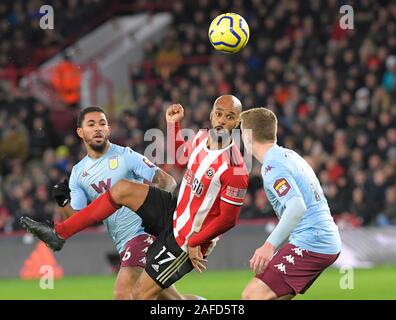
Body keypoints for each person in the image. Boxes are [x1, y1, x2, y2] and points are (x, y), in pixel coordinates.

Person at [21, 95, 249, 300]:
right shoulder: (201, 137)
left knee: (138, 295)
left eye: (229, 117)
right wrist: (173, 125)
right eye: (219, 114)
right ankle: (59, 234)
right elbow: (181, 160)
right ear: (211, 114)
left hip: (188, 237)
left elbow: (228, 219)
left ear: (237, 123)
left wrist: (196, 241)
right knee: (122, 189)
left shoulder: (236, 166)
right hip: (176, 211)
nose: (222, 121)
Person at [35, 106, 199, 300]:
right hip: (124, 244)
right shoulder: (78, 173)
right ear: (80, 132)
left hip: (144, 234)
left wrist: (154, 213)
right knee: (164, 299)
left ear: (108, 130)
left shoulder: (125, 155)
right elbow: (78, 220)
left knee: (123, 292)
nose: (98, 128)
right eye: (91, 124)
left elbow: (167, 181)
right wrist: (63, 201)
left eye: (102, 124)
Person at [239, 107, 341, 300]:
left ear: (248, 136)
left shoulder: (272, 166)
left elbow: (297, 207)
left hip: (313, 241)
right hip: (323, 238)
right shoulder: (289, 155)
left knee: (251, 296)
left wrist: (269, 246)